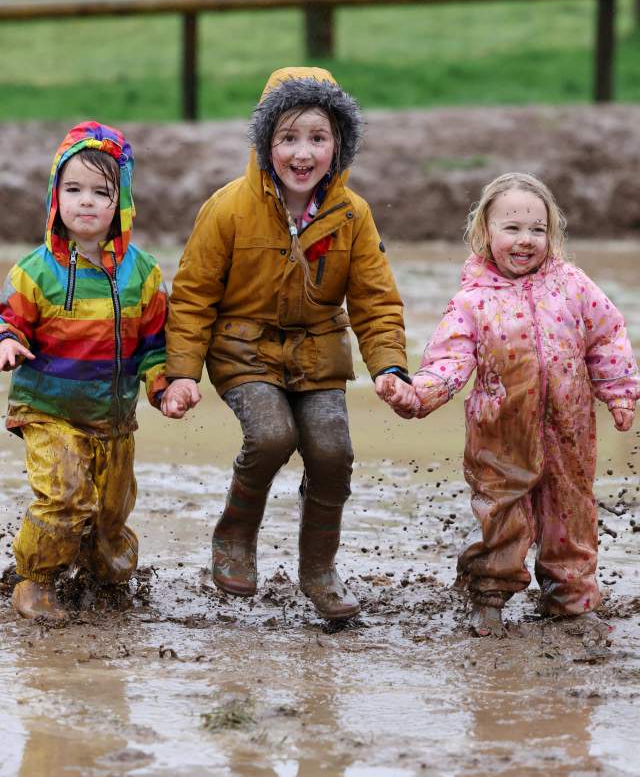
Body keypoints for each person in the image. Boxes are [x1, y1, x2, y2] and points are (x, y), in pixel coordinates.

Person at [161, 66, 415, 620]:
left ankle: (319, 570)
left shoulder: (352, 215)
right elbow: (192, 296)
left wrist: (391, 367)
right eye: (288, 137)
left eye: (318, 138)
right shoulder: (227, 208)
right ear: (264, 143)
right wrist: (180, 373)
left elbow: (375, 301)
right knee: (273, 435)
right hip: (241, 349)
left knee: (332, 451)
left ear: (339, 145)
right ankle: (234, 537)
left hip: (318, 351)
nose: (303, 154)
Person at [412, 172, 639, 637]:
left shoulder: (572, 285)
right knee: (502, 513)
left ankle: (570, 599)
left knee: (570, 512)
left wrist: (618, 391)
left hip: (570, 429)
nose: (526, 240)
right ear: (485, 234)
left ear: (552, 235)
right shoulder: (472, 302)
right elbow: (447, 362)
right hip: (501, 432)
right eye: (512, 228)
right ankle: (490, 595)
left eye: (538, 230)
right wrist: (416, 395)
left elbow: (608, 335)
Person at [0, 121, 168, 621]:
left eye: (101, 192)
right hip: (47, 408)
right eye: (73, 189)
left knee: (111, 513)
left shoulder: (143, 273)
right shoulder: (35, 270)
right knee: (66, 495)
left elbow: (157, 342)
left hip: (113, 416)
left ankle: (107, 580)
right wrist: (8, 341)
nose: (87, 202)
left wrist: (164, 387)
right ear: (56, 197)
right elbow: (8, 317)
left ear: (123, 203)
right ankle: (36, 580)